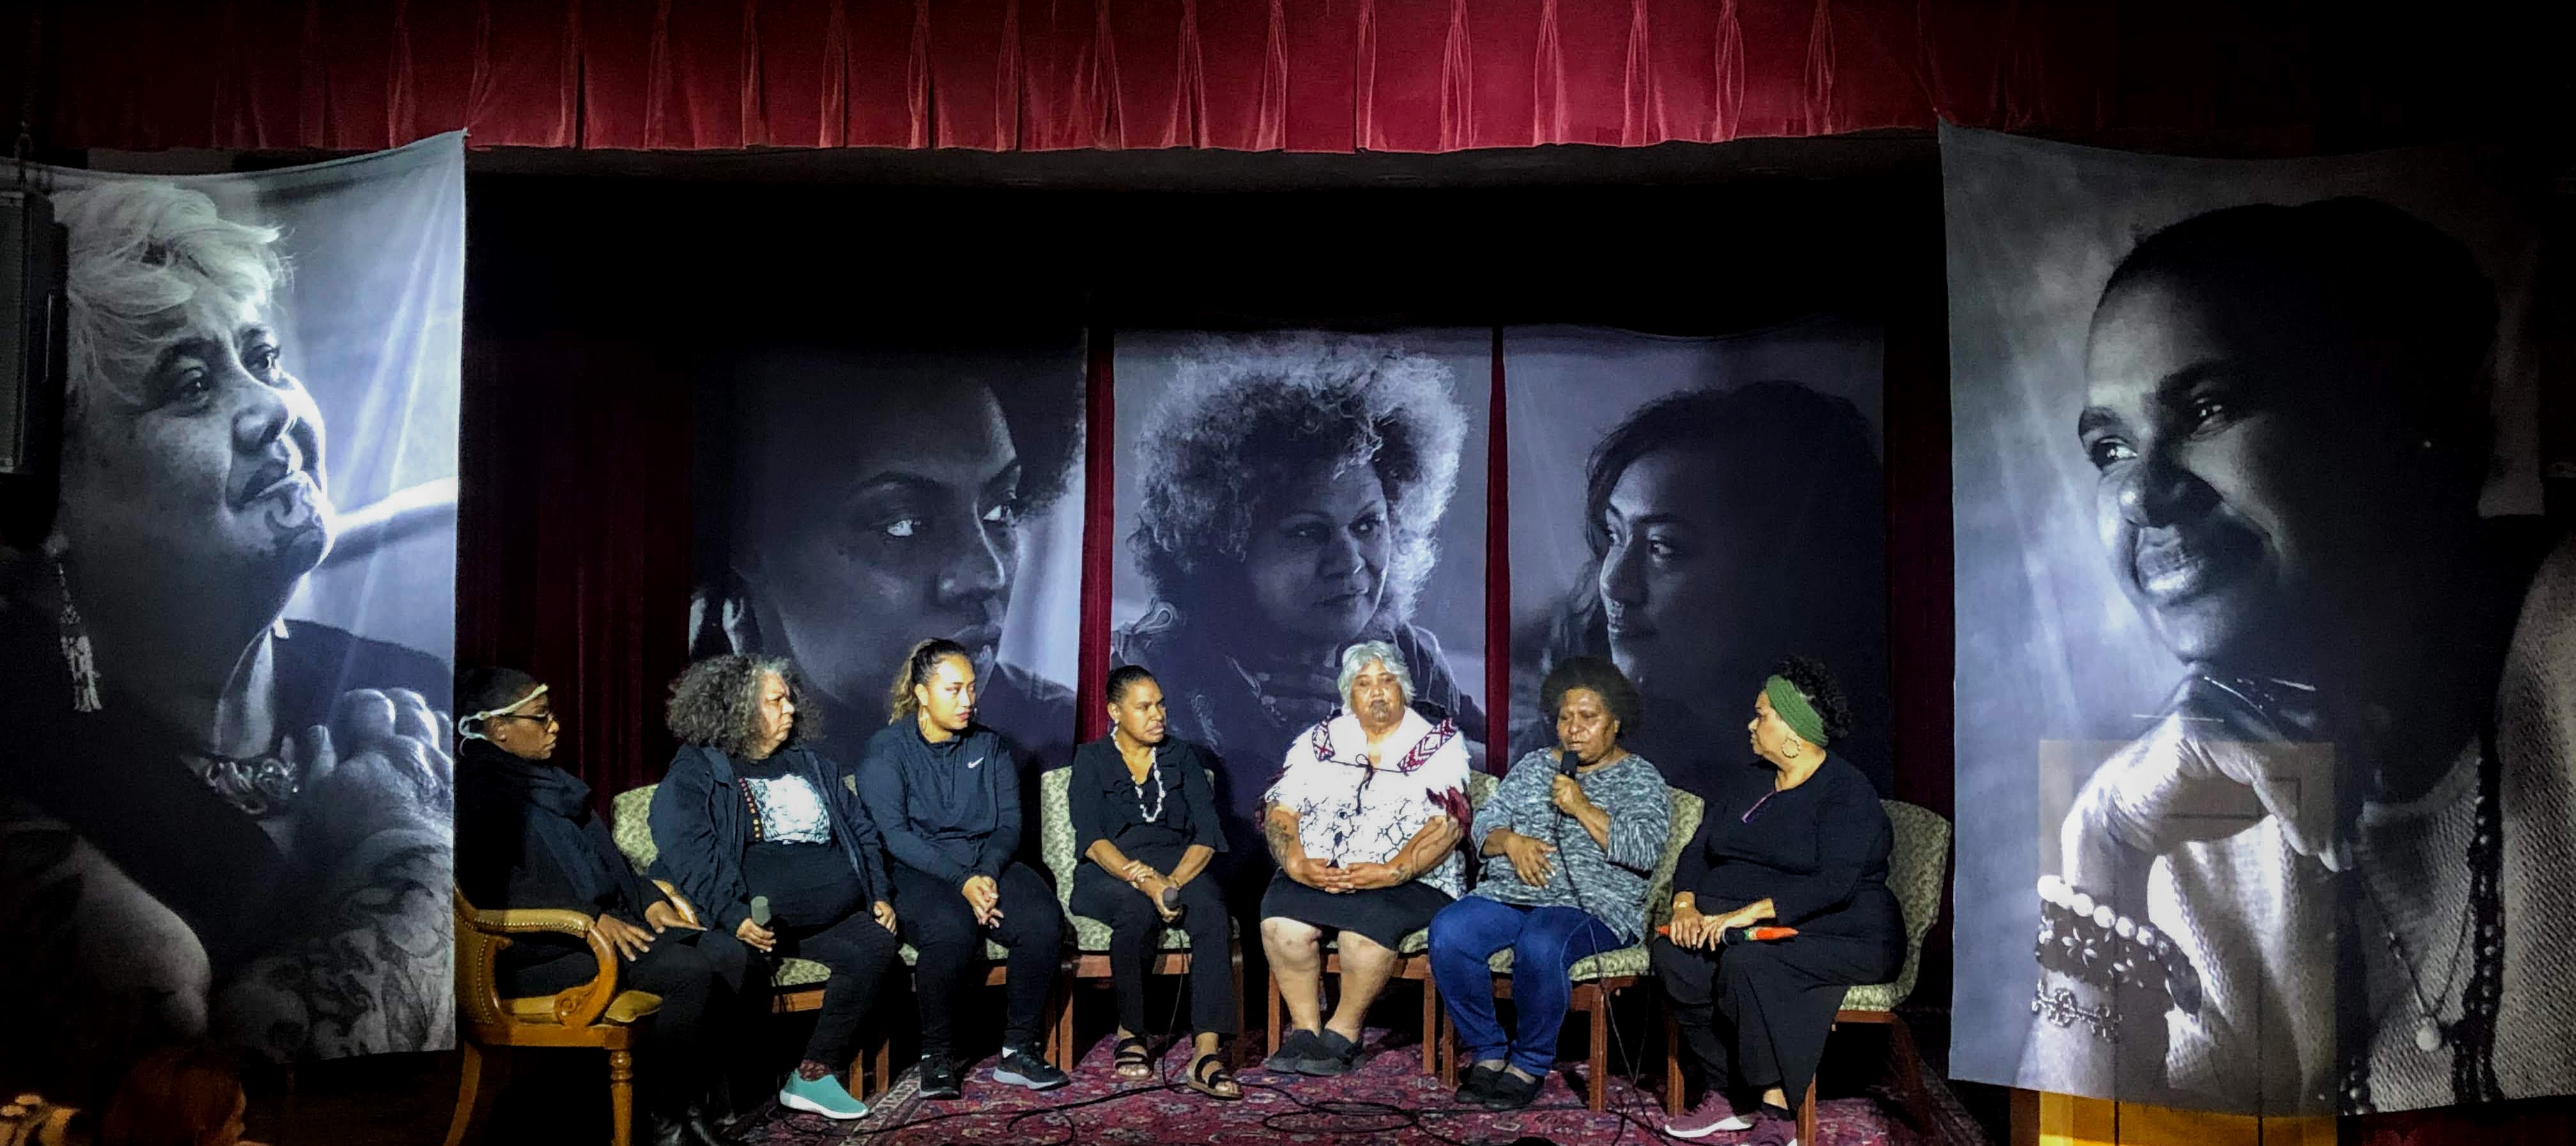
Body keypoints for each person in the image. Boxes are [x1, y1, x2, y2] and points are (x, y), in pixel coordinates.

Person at [2018, 197, 2576, 1115]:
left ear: (2396, 406)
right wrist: (2100, 849)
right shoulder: (2194, 826)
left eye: (2207, 408)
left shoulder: (2561, 666)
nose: (2142, 497)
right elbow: (2096, 1139)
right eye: (2110, 447)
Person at [0, 180, 451, 1099]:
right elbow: (221, 1091)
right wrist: (408, 838)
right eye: (193, 384)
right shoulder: (13, 756)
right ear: (49, 504)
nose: (275, 409)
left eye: (266, 358)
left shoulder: (408, 681)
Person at [1116, 334, 1483, 915]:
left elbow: (1489, 773)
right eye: (1309, 532)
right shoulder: (1157, 660)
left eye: (1368, 525)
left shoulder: (1408, 655)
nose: (1351, 561)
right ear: (1227, 544)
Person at [691, 344, 1084, 865]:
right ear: (750, 538)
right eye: (902, 523)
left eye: (1000, 508)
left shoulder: (1061, 743)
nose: (986, 573)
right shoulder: (710, 770)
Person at [1512, 381, 1890, 799]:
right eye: (1614, 534)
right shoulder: (1564, 748)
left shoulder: (1858, 785)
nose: (1615, 584)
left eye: (1664, 547)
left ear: (1777, 571)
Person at [453, 667, 742, 1146]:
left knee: (728, 954)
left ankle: (699, 1105)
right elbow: (491, 892)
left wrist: (648, 902)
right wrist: (589, 918)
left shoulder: (552, 783)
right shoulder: (480, 793)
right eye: (541, 719)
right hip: (534, 951)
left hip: (601, 931)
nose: (555, 727)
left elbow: (614, 866)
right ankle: (666, 1119)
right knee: (687, 971)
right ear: (498, 727)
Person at [1656, 658, 1901, 1144]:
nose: (1751, 723)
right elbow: (1699, 848)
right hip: (1742, 924)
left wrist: (1743, 915)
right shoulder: (1749, 781)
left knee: (1750, 964)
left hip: (1844, 930)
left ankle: (1776, 1109)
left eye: (1762, 714)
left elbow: (1834, 883)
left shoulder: (1848, 794)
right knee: (1675, 956)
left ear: (1793, 730)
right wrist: (1685, 906)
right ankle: (1729, 1095)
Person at [648, 654, 901, 1122]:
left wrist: (878, 893)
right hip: (740, 921)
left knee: (874, 946)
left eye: (790, 698)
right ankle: (720, 1099)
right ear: (737, 709)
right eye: (775, 700)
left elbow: (860, 829)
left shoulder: (813, 765)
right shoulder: (700, 768)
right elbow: (688, 846)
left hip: (821, 918)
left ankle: (813, 1072)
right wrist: (732, 912)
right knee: (729, 965)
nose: (790, 708)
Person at [1432, 655, 1672, 1110]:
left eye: (1588, 717)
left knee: (1542, 943)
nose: (1574, 729)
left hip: (1594, 907)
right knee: (1450, 931)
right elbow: (1485, 825)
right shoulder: (1534, 767)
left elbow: (1643, 850)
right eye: (1565, 718)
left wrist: (1581, 805)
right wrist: (1513, 843)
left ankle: (1529, 1061)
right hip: (1511, 894)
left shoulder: (1641, 778)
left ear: (1615, 721)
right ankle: (1487, 1049)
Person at [856, 639, 1070, 1099]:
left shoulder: (990, 745)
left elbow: (1009, 823)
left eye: (972, 689)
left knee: (1041, 920)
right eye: (954, 690)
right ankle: (936, 1054)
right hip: (920, 869)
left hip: (984, 863)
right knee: (951, 930)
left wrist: (987, 874)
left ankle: (1019, 1049)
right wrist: (962, 881)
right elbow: (894, 835)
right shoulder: (887, 749)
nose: (968, 701)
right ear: (922, 693)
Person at [1258, 640, 1470, 1076]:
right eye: (1364, 683)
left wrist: (1393, 870)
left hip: (1411, 881)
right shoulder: (1319, 741)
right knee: (1282, 920)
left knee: (1362, 932)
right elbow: (1281, 806)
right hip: (1322, 873)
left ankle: (1344, 1032)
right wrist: (1297, 862)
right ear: (1348, 694)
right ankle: (1305, 1029)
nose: (1377, 692)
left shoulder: (1439, 743)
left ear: (1404, 690)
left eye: (1387, 681)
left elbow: (1449, 821)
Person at [1068, 665, 1240, 1099]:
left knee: (1212, 912)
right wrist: (1144, 881)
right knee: (1135, 911)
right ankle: (1132, 1028)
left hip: (1179, 864)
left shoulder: (1182, 757)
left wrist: (1174, 883)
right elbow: (1091, 839)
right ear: (1115, 711)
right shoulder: (1091, 759)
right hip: (1112, 869)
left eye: (1161, 703)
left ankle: (1206, 1050)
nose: (1158, 714)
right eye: (1144, 706)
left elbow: (1207, 835)